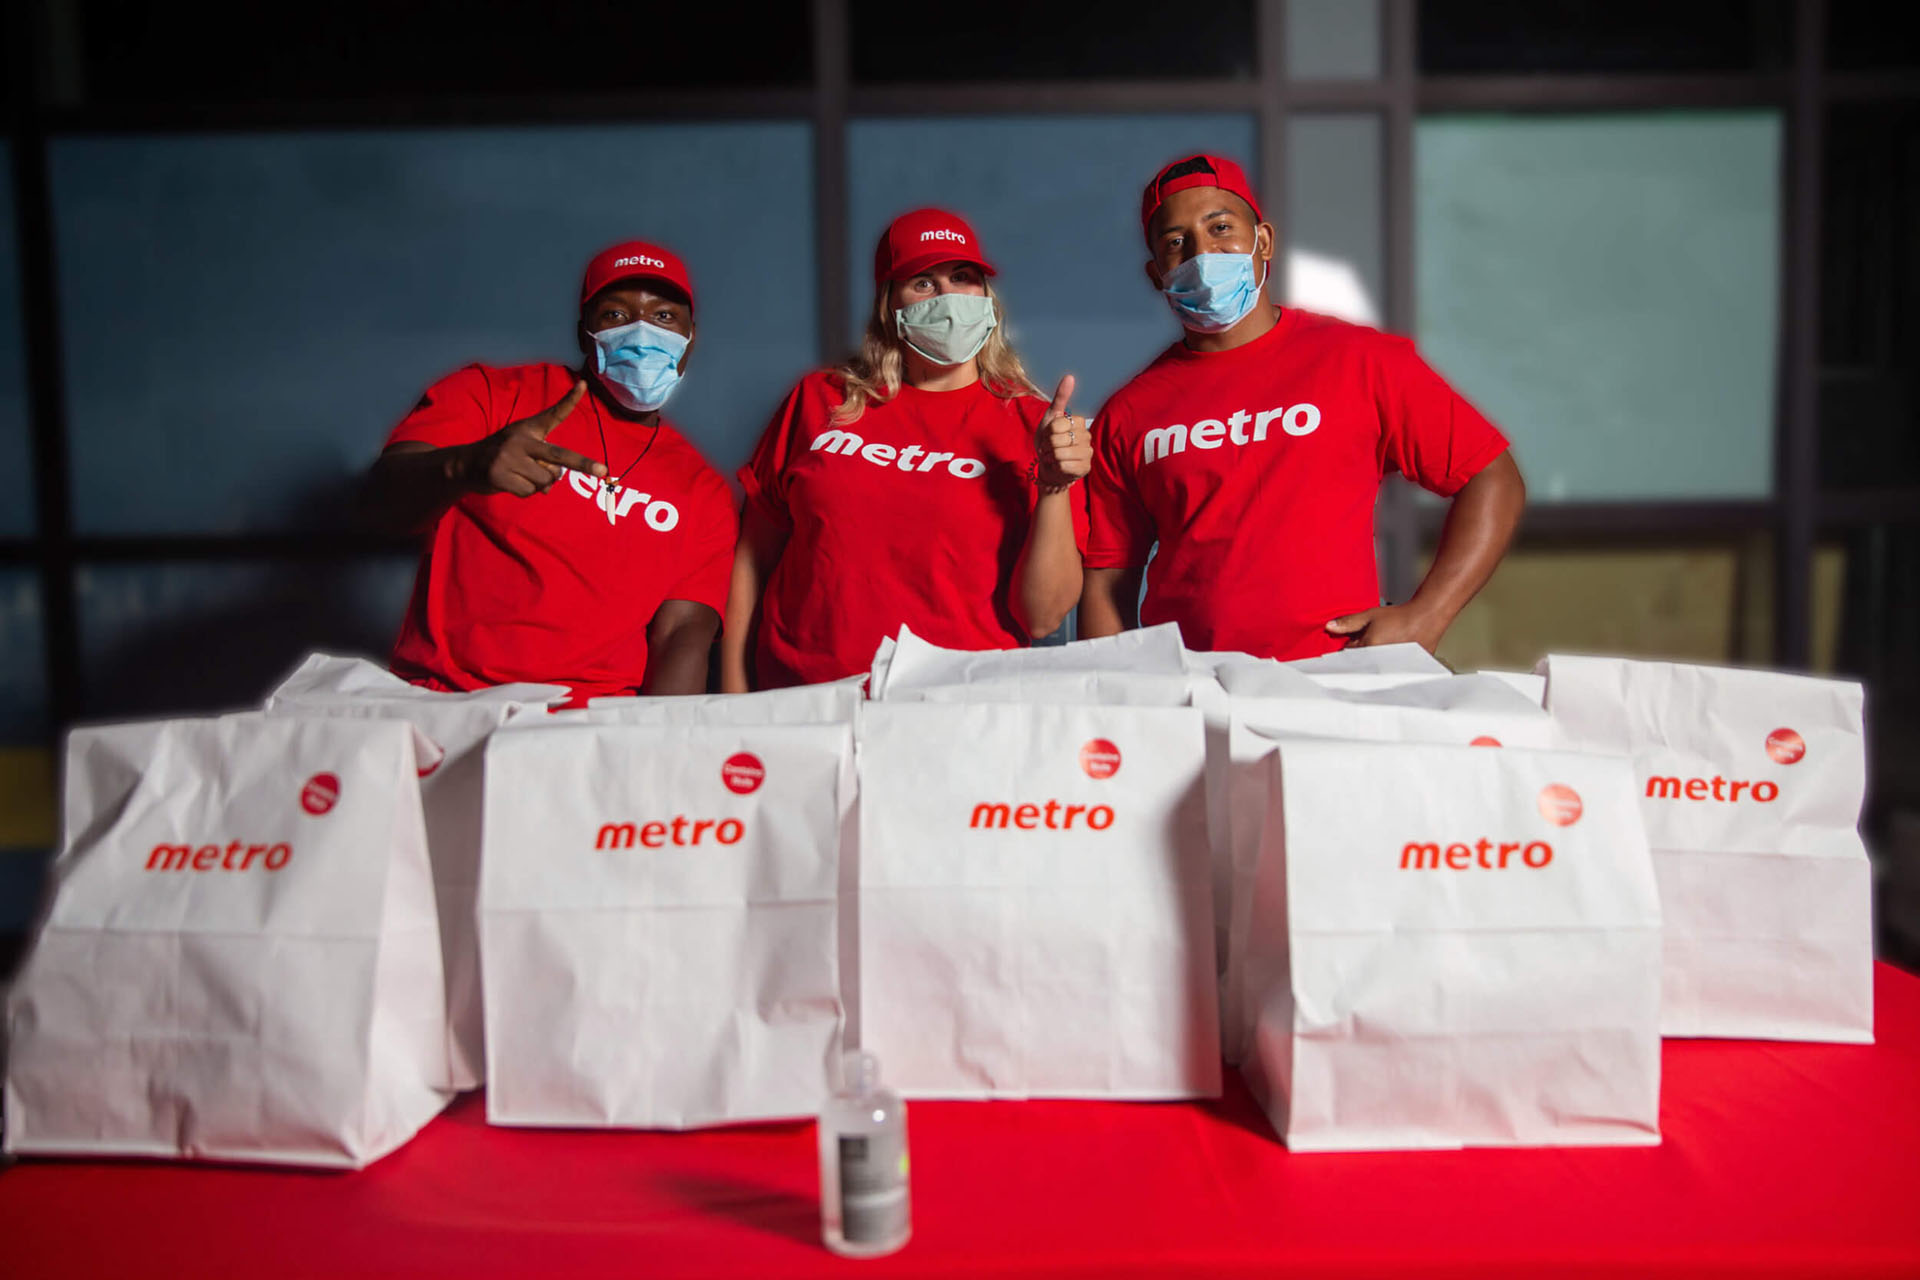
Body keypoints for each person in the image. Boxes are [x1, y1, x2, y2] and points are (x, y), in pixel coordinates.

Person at [1079, 153, 1526, 659]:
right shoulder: (1129, 413)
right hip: (1194, 695)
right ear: (1156, 273)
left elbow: (1492, 476)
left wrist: (1428, 614)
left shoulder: (1358, 360)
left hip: (1337, 683)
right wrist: (1114, 698)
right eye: (1176, 243)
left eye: (1221, 227)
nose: (1204, 253)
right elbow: (1107, 583)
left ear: (1263, 241)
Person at [724, 208, 1090, 690]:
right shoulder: (819, 400)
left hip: (960, 707)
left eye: (963, 278)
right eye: (924, 283)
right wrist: (733, 697)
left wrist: (1054, 485)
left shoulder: (1036, 427)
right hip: (804, 698)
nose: (948, 299)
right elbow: (751, 560)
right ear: (889, 304)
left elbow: (1042, 618)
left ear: (987, 298)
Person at [360, 240, 735, 700]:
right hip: (451, 704)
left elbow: (682, 634)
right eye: (616, 315)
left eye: (663, 317)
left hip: (594, 728)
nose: (642, 335)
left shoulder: (703, 490)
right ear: (584, 335)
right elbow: (376, 507)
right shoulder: (490, 396)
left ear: (690, 337)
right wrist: (465, 465)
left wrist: (666, 751)